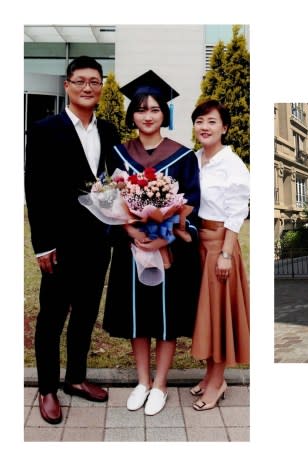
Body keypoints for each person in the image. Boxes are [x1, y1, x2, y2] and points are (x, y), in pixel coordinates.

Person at [24, 56, 120, 424]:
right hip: (60, 243)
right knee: (51, 316)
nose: (88, 87)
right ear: (67, 86)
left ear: (101, 86)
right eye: (80, 81)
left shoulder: (108, 130)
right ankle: (47, 387)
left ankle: (76, 378)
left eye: (94, 81)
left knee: (85, 313)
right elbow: (36, 189)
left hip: (98, 241)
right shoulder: (45, 128)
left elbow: (115, 181)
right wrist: (43, 244)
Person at [102, 70, 201, 416]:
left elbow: (191, 203)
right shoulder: (118, 154)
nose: (147, 115)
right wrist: (128, 229)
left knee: (166, 315)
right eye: (141, 109)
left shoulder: (183, 156)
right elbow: (109, 196)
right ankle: (142, 381)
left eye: (155, 109)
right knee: (137, 315)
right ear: (133, 114)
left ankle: (160, 383)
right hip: (131, 249)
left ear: (165, 114)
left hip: (167, 249)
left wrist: (163, 236)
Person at [189, 100, 250, 410]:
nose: (205, 127)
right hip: (197, 240)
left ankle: (217, 381)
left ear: (224, 127)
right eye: (200, 121)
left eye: (211, 121)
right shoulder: (196, 159)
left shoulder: (233, 164)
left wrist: (226, 253)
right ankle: (209, 375)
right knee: (206, 314)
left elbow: (237, 212)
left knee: (220, 315)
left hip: (219, 245)